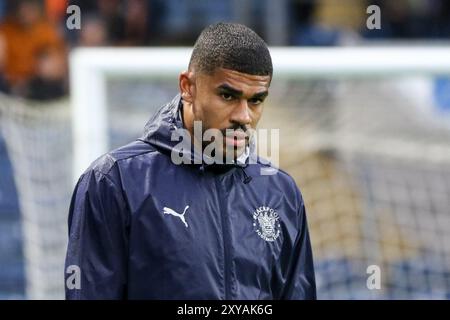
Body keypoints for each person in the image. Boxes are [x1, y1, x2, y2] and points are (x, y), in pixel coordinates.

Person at [64, 22, 316, 300]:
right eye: (228, 96)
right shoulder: (114, 181)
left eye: (256, 101)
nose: (244, 116)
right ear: (188, 87)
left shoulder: (281, 192)